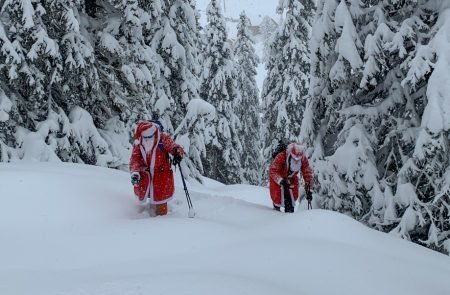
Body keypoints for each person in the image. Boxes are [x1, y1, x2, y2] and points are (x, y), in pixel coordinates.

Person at [129, 120, 185, 216]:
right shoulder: (138, 142)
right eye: (145, 138)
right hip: (146, 176)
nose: (147, 140)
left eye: (149, 137)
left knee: (161, 200)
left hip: (161, 176)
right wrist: (135, 172)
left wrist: (177, 153)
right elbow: (135, 159)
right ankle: (148, 215)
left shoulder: (162, 138)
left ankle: (160, 224)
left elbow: (174, 147)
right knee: (149, 195)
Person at [269, 143, 313, 213]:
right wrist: (280, 181)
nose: (296, 160)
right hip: (278, 180)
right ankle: (275, 214)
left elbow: (307, 172)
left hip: (292, 180)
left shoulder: (303, 159)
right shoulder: (281, 156)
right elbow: (273, 171)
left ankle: (289, 219)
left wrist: (309, 189)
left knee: (291, 201)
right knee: (277, 199)